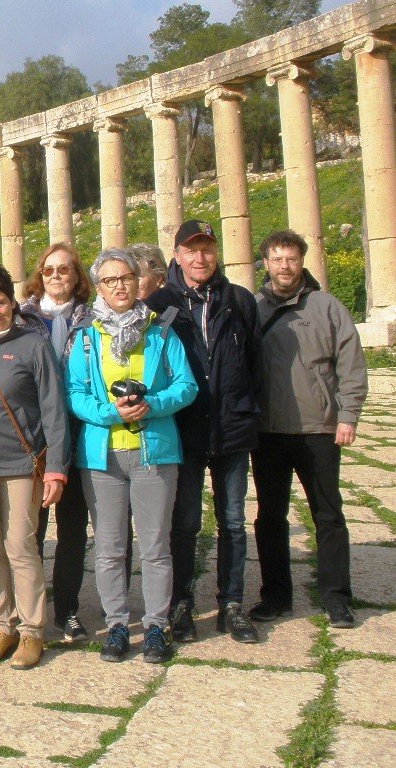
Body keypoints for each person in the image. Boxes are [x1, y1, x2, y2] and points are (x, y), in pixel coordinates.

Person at [66, 249, 199, 664]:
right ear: (99, 287)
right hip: (102, 456)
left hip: (153, 452)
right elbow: (75, 394)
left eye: (125, 277)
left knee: (156, 546)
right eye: (109, 280)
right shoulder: (87, 337)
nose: (119, 285)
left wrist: (151, 403)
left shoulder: (161, 333)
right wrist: (110, 412)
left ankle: (157, 625)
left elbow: (187, 385)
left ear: (138, 281)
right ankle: (118, 623)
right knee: (109, 547)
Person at [146, 220, 263, 645]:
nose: (200, 258)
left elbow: (256, 364)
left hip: (232, 426)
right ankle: (180, 603)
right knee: (185, 522)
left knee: (233, 521)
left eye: (207, 249)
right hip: (186, 429)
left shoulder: (239, 300)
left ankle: (232, 603)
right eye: (191, 250)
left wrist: (253, 413)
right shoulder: (159, 304)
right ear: (176, 255)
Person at [0, 266, 69, 671]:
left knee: (20, 544)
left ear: (12, 301)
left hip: (22, 463)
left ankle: (33, 631)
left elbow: (54, 409)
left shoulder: (33, 345)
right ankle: (3, 626)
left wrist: (56, 467)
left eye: (0, 302)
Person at [251, 230, 367, 629]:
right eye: (277, 258)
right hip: (267, 431)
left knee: (328, 514)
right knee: (270, 517)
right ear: (265, 263)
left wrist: (348, 415)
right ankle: (276, 596)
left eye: (292, 259)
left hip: (319, 429)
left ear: (302, 262)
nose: (285, 266)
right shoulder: (254, 310)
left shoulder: (328, 307)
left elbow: (350, 366)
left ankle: (336, 597)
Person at [13, 243, 92, 642]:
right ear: (38, 276)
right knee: (33, 528)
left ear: (77, 276)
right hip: (36, 439)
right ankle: (30, 608)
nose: (57, 276)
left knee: (74, 527)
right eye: (49, 270)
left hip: (82, 433)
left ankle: (69, 608)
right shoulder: (21, 319)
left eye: (65, 269)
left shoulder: (93, 319)